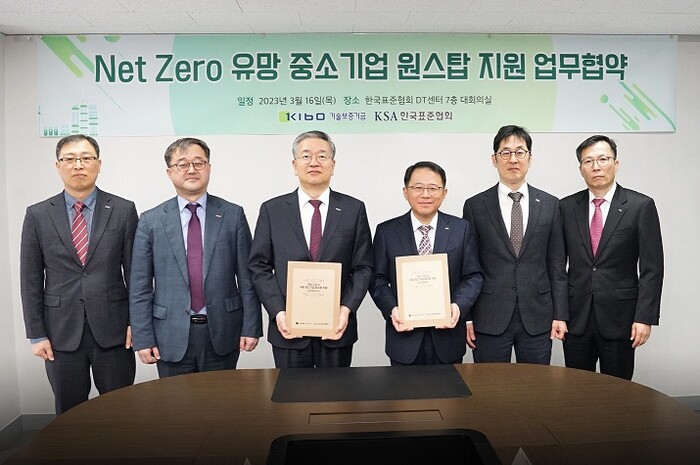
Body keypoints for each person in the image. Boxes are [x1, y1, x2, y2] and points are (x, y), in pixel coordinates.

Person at [20, 134, 137, 414]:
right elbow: (30, 279)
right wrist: (36, 334)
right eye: (70, 159)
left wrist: (137, 323)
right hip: (60, 334)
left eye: (86, 158)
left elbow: (136, 274)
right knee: (69, 414)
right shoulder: (38, 214)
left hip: (115, 331)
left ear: (99, 164)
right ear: (57, 166)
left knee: (121, 412)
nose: (78, 165)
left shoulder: (123, 210)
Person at [129, 137, 261, 378]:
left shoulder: (232, 215)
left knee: (221, 400)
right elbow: (140, 286)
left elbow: (247, 277)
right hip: (169, 334)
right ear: (169, 172)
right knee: (175, 402)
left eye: (199, 163)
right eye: (182, 164)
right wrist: (143, 337)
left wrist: (251, 326)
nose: (191, 169)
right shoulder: (151, 221)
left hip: (223, 330)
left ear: (209, 168)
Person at [248, 130, 373, 368]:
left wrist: (346, 309)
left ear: (333, 165)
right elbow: (258, 266)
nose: (314, 162)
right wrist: (278, 311)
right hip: (288, 329)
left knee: (336, 392)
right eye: (306, 156)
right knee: (290, 392)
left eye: (322, 156)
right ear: (295, 165)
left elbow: (363, 267)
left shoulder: (353, 209)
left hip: (336, 328)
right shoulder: (272, 210)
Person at [462, 124, 568, 364]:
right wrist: (467, 317)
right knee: (490, 384)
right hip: (489, 315)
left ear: (530, 158)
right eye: (505, 152)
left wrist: (560, 314)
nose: (513, 159)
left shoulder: (550, 205)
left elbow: (557, 265)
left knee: (534, 384)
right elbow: (468, 266)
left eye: (520, 152)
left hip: (538, 315)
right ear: (494, 159)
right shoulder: (475, 206)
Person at [560, 135, 663, 380]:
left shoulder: (640, 206)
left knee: (618, 392)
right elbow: (557, 266)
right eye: (588, 161)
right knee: (576, 390)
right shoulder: (566, 207)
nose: (596, 166)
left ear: (616, 164)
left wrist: (644, 318)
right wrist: (559, 314)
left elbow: (652, 268)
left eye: (603, 159)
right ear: (581, 169)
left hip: (620, 320)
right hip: (576, 319)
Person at [370, 161, 483, 365]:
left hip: (448, 339)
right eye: (418, 187)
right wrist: (392, 309)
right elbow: (377, 279)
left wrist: (458, 306)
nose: (425, 194)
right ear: (405, 192)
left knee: (449, 387)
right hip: (404, 339)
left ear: (444, 193)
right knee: (405, 388)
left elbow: (473, 276)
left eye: (433, 188)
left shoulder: (461, 229)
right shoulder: (386, 232)